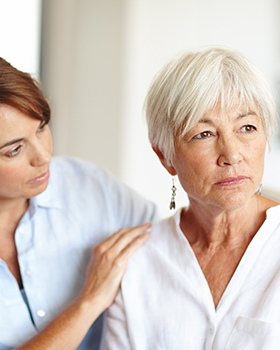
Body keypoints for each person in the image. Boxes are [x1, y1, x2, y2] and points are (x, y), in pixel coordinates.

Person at [102, 47, 280, 349]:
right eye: (204, 134)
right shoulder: (137, 262)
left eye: (247, 128)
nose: (232, 154)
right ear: (164, 155)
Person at [0, 57, 158, 350]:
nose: (43, 157)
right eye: (14, 150)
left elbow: (174, 250)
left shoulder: (90, 187)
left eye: (41, 127)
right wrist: (90, 301)